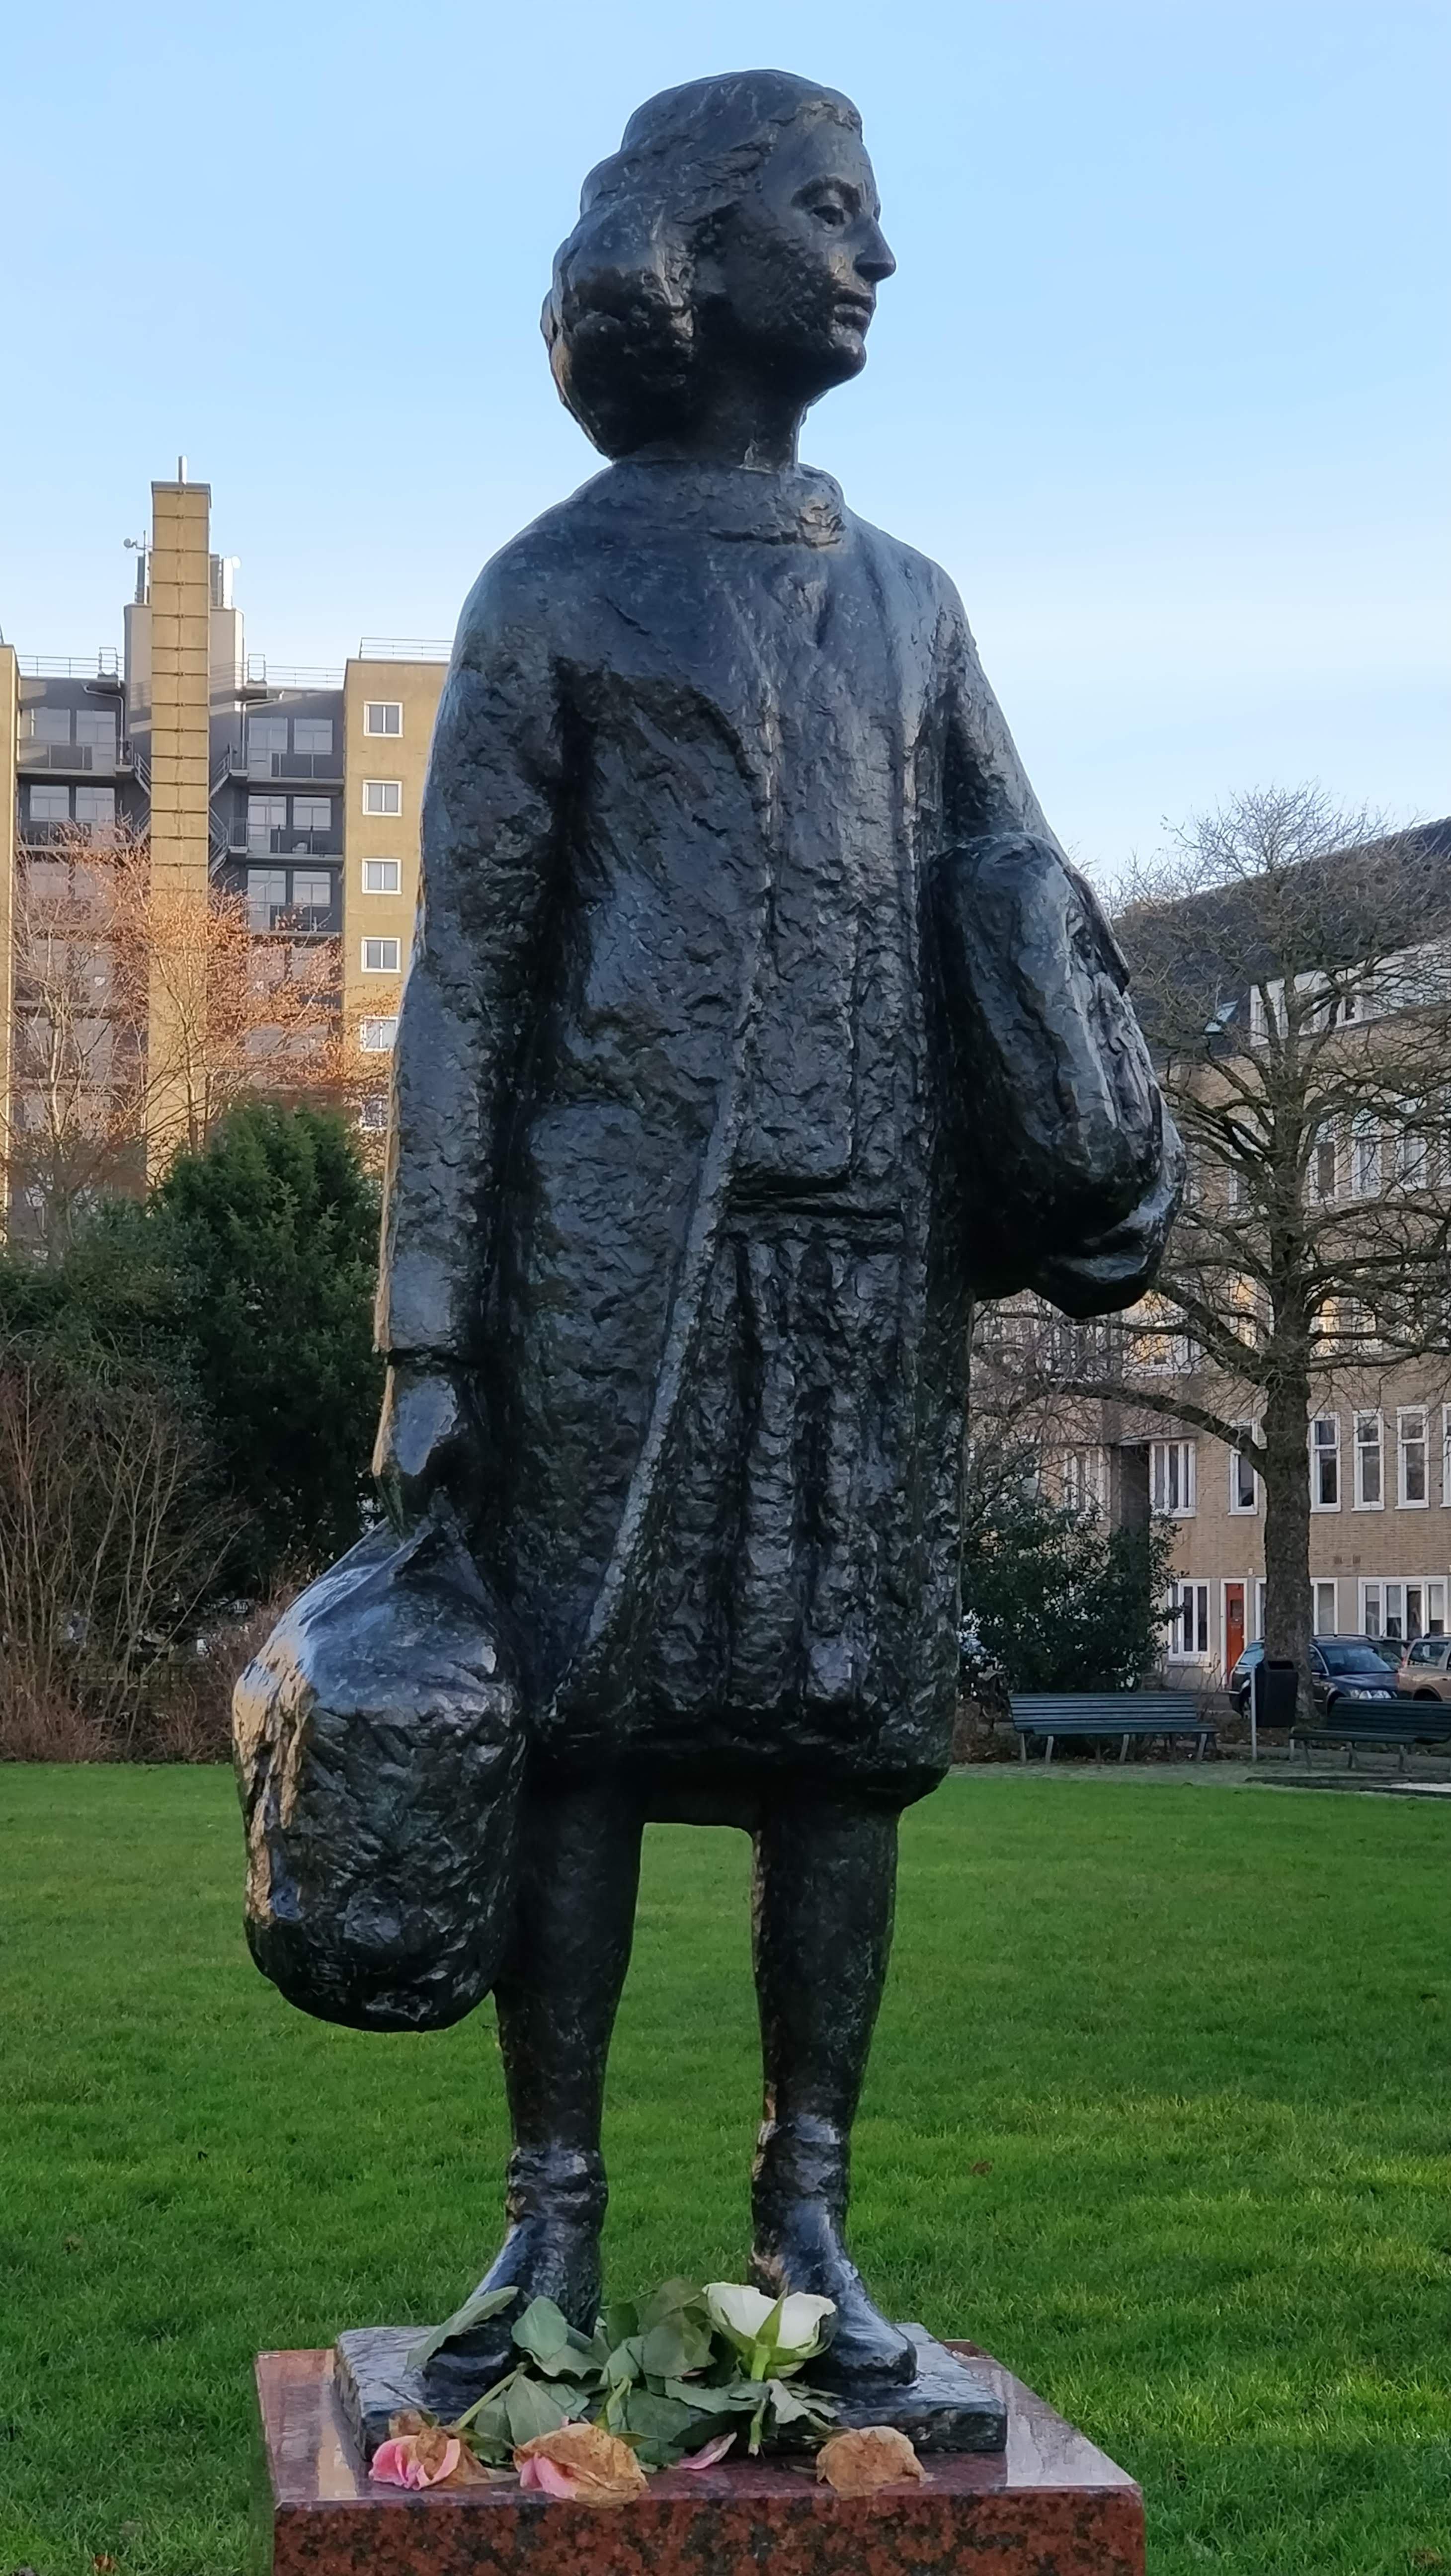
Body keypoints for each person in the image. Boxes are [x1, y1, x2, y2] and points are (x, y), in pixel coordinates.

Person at [371, 68, 1181, 2398]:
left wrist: (1084, 1148)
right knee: (588, 1736)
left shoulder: (912, 609)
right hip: (609, 1266)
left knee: (843, 1749)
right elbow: (466, 990)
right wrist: (430, 1334)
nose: (875, 256)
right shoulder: (551, 586)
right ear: (687, 254)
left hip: (864, 1267)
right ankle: (546, 2222)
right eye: (831, 211)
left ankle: (806, 2208)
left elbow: (1032, 913)